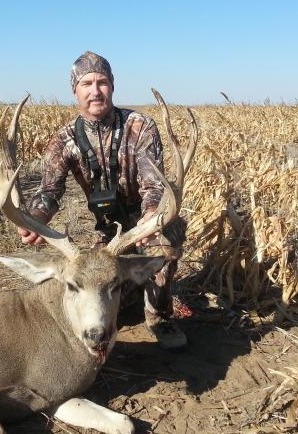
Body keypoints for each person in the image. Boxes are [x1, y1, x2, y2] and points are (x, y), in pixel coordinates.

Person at [17, 51, 187, 351]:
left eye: (102, 82)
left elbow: (154, 185)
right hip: (108, 229)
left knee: (161, 241)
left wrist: (150, 218)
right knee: (96, 283)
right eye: (87, 83)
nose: (95, 91)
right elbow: (49, 190)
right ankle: (132, 296)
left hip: (145, 222)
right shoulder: (64, 139)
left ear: (112, 85)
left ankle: (159, 316)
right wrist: (38, 216)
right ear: (75, 90)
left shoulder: (140, 126)